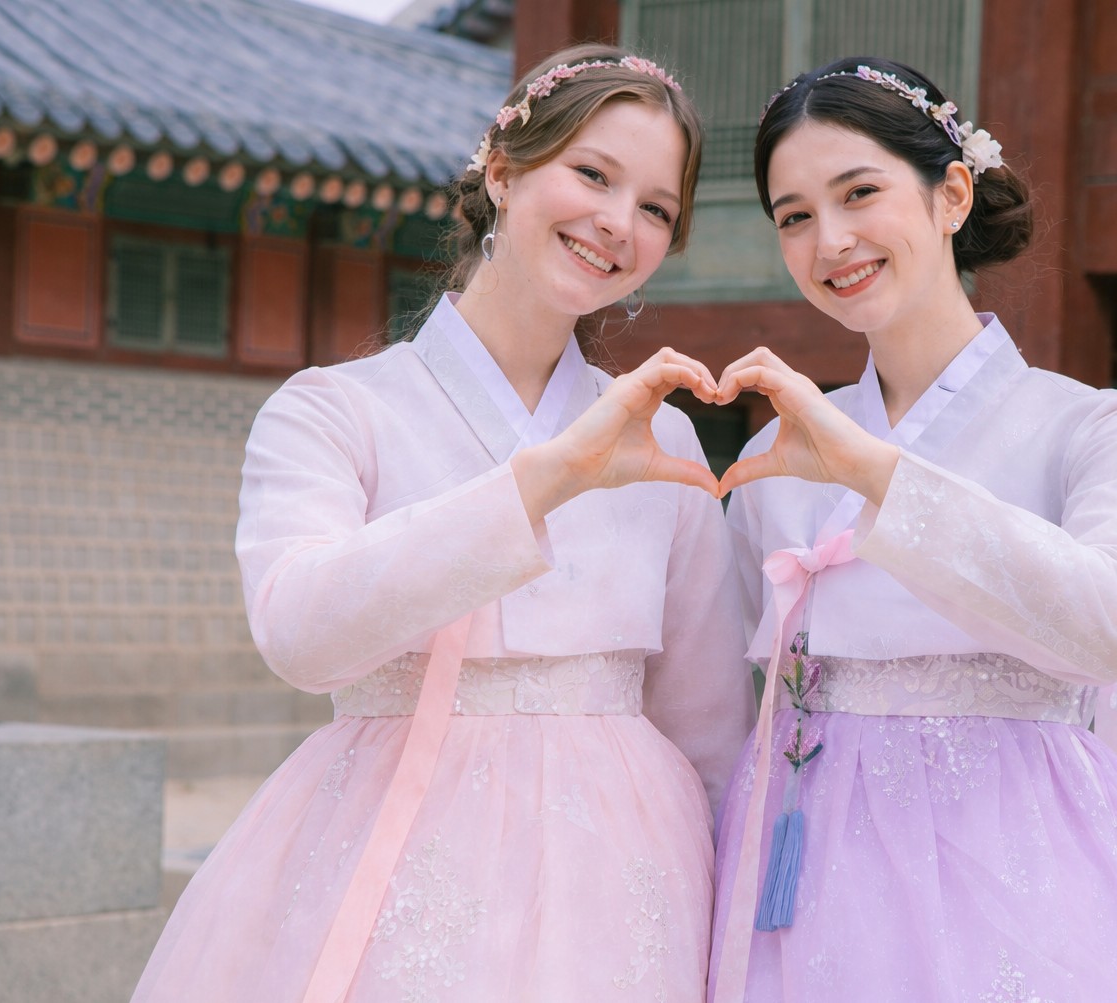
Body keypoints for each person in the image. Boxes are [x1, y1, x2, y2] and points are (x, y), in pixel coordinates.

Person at [133, 44, 754, 1003]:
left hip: (624, 872)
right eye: (592, 174)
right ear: (502, 170)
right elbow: (300, 630)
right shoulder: (334, 410)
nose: (616, 222)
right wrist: (541, 480)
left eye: (656, 208)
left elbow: (709, 722)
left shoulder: (662, 435)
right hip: (388, 841)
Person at [706, 57, 1117, 1001]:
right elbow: (729, 694)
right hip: (800, 870)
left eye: (860, 192)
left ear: (952, 193)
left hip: (1020, 860)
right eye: (794, 215)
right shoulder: (779, 456)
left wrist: (870, 472)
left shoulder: (1095, 426)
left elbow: (1110, 625)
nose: (829, 239)